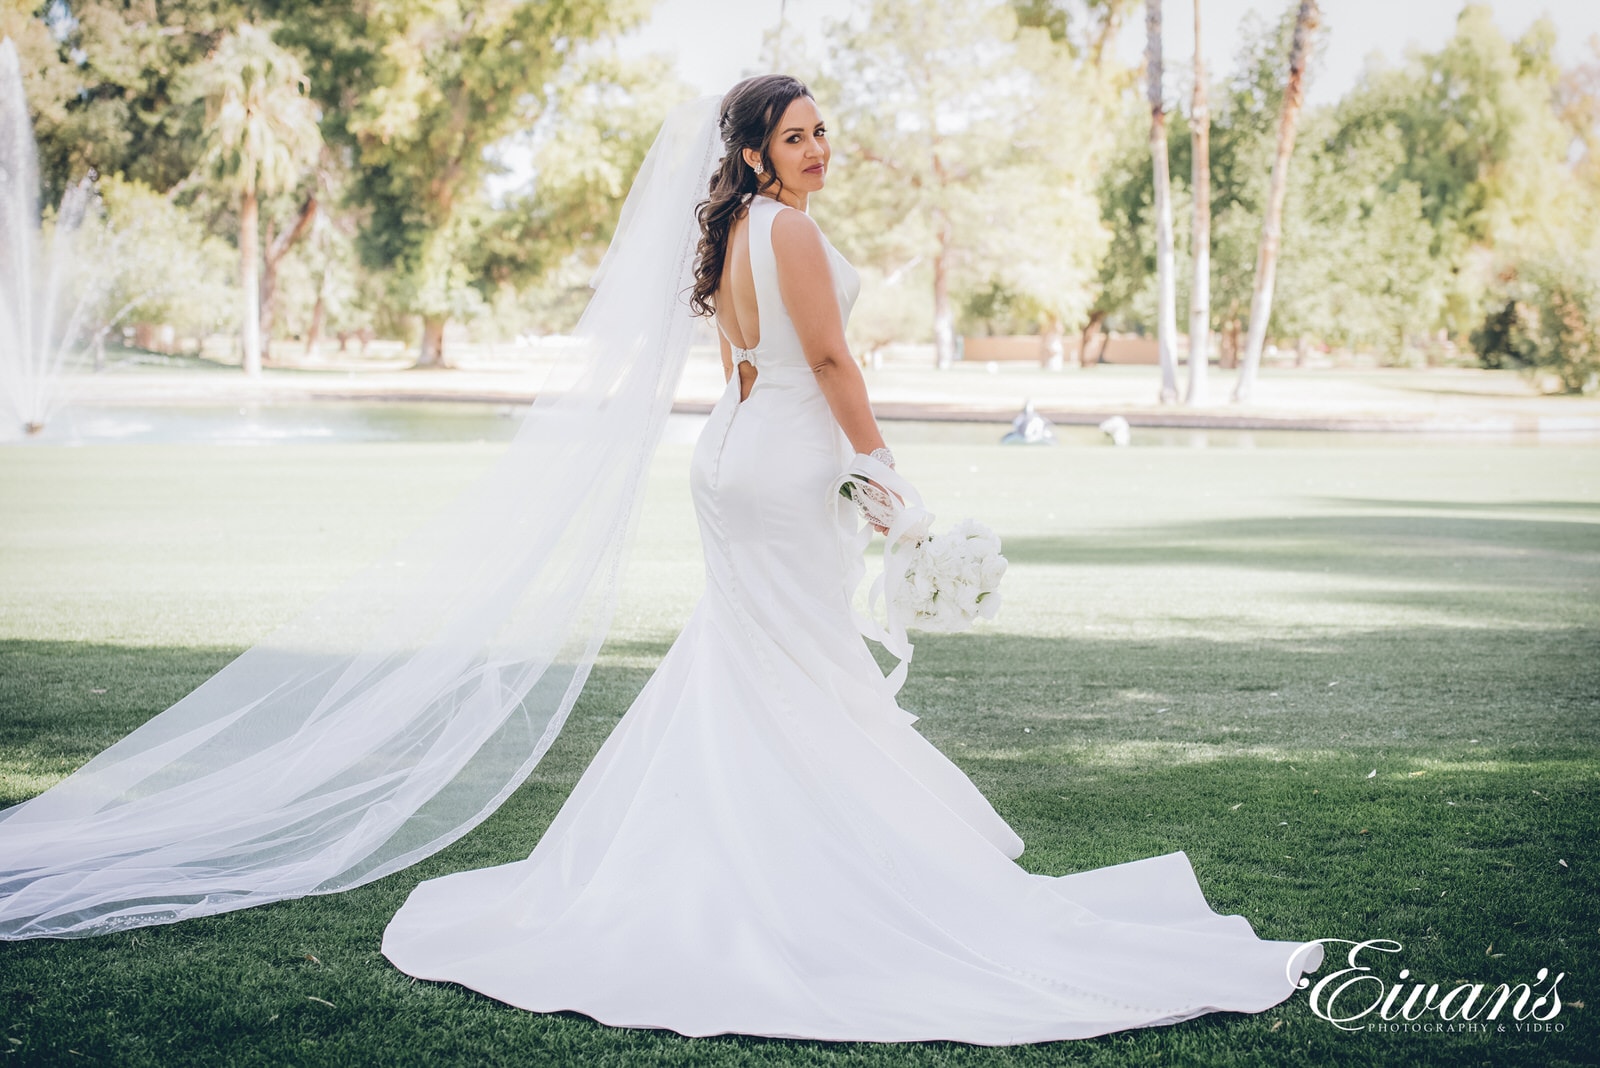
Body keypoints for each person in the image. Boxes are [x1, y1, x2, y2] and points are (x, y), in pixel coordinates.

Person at [379, 73, 1325, 1046]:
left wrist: (778, 450)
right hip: (785, 460)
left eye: (821, 132)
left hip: (735, 451)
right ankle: (806, 880)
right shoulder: (784, 231)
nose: (817, 149)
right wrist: (880, 473)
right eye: (795, 138)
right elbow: (830, 361)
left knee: (757, 656)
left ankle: (734, 862)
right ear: (754, 153)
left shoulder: (737, 228)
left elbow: (741, 362)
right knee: (808, 663)